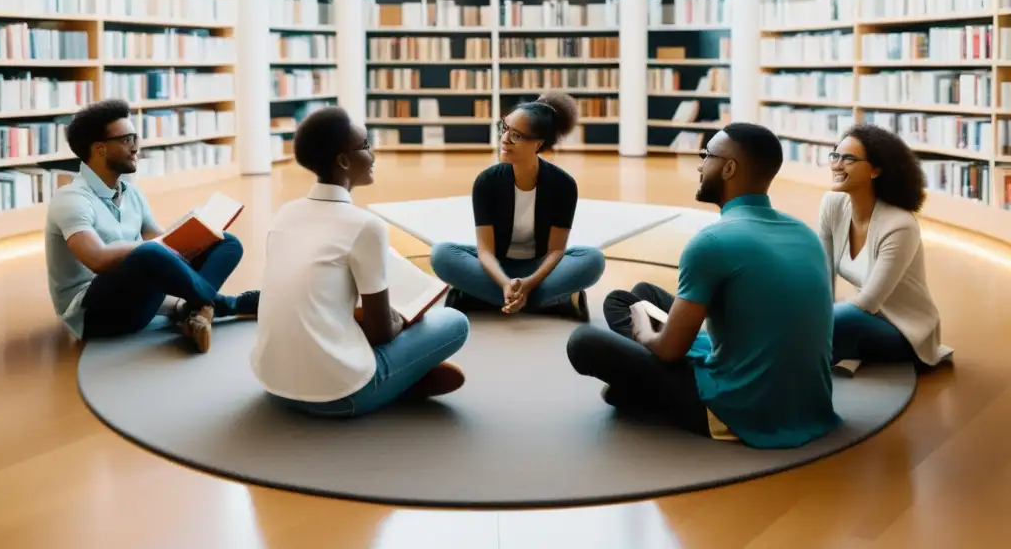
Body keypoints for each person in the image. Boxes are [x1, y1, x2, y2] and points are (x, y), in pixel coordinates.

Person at [566, 123, 841, 449]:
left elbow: (669, 350)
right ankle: (639, 377)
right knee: (638, 294)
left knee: (584, 341)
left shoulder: (711, 242)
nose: (699, 164)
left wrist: (644, 334)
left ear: (728, 168)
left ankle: (639, 387)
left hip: (742, 408)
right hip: (809, 403)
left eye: (705, 155)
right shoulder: (803, 232)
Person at [250, 106, 470, 418]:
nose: (373, 154)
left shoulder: (285, 214)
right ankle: (394, 381)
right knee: (453, 323)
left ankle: (401, 377)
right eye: (366, 146)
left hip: (273, 386)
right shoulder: (365, 226)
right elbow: (381, 333)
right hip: (339, 397)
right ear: (343, 161)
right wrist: (403, 320)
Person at [44, 99, 258, 353]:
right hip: (95, 314)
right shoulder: (71, 199)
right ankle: (222, 305)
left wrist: (193, 229)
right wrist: (156, 246)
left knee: (225, 241)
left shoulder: (131, 193)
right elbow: (97, 259)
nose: (136, 147)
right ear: (99, 149)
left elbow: (164, 244)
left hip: (142, 301)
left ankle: (194, 310)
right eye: (127, 140)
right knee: (150, 253)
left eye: (136, 137)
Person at [429, 92, 606, 322]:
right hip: (496, 267)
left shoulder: (563, 185)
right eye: (504, 129)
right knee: (441, 254)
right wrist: (505, 283)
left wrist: (529, 283)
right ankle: (550, 301)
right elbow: (485, 251)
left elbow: (555, 251)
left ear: (538, 144)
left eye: (516, 136)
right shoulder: (487, 181)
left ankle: (479, 297)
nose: (504, 139)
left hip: (539, 269)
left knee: (593, 260)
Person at [820, 123, 952, 370]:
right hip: (865, 317)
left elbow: (868, 302)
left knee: (836, 321)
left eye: (848, 159)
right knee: (804, 311)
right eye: (835, 155)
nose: (837, 165)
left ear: (875, 170)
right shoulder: (832, 204)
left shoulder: (900, 225)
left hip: (904, 330)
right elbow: (823, 274)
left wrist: (816, 320)